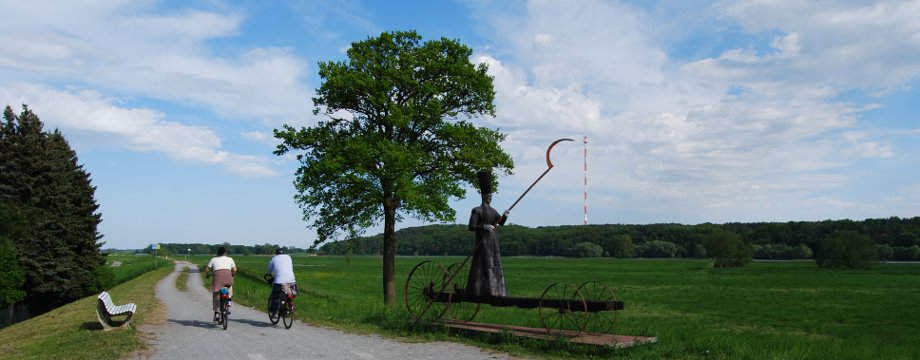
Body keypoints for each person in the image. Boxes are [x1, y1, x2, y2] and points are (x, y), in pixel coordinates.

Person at [466, 170, 509, 297]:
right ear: (484, 196)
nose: (490, 198)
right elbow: (471, 227)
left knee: (494, 264)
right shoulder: (476, 210)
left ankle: (496, 291)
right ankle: (480, 290)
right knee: (484, 264)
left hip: (493, 241)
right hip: (483, 242)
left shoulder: (493, 210)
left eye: (491, 196)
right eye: (488, 196)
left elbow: (500, 222)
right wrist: (484, 226)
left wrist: (505, 216)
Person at [205, 246, 237, 322]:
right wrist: (232, 275)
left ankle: (216, 312)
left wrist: (207, 275)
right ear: (225, 253)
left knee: (216, 294)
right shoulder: (230, 259)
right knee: (229, 287)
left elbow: (207, 269)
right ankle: (228, 300)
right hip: (228, 277)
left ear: (217, 253)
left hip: (217, 278)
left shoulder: (213, 259)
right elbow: (235, 269)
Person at [266, 248, 297, 315]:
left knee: (275, 296)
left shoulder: (273, 259)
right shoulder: (289, 257)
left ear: (276, 253)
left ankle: (274, 312)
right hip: (292, 280)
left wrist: (269, 274)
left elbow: (269, 271)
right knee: (289, 293)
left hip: (279, 281)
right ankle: (290, 305)